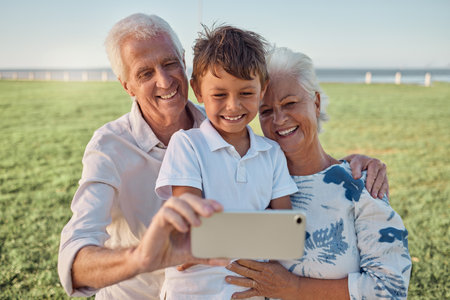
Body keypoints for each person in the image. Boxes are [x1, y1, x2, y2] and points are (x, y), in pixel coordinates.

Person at [57, 13, 389, 299]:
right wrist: (144, 257)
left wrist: (348, 165)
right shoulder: (110, 147)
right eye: (145, 73)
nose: (163, 80)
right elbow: (77, 257)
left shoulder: (224, 120)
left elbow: (284, 222)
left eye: (170, 63)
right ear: (126, 85)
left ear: (185, 63)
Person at [224, 47, 411, 299]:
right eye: (266, 111)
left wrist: (295, 288)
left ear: (316, 102)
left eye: (290, 103)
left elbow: (391, 288)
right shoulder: (255, 184)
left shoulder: (360, 185)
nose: (279, 120)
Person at [154, 25, 297, 300]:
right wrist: (264, 229)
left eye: (246, 93)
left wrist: (218, 235)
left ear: (262, 89)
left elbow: (287, 235)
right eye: (219, 95)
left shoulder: (272, 153)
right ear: (196, 89)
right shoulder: (187, 145)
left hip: (250, 292)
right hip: (191, 294)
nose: (233, 106)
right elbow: (190, 236)